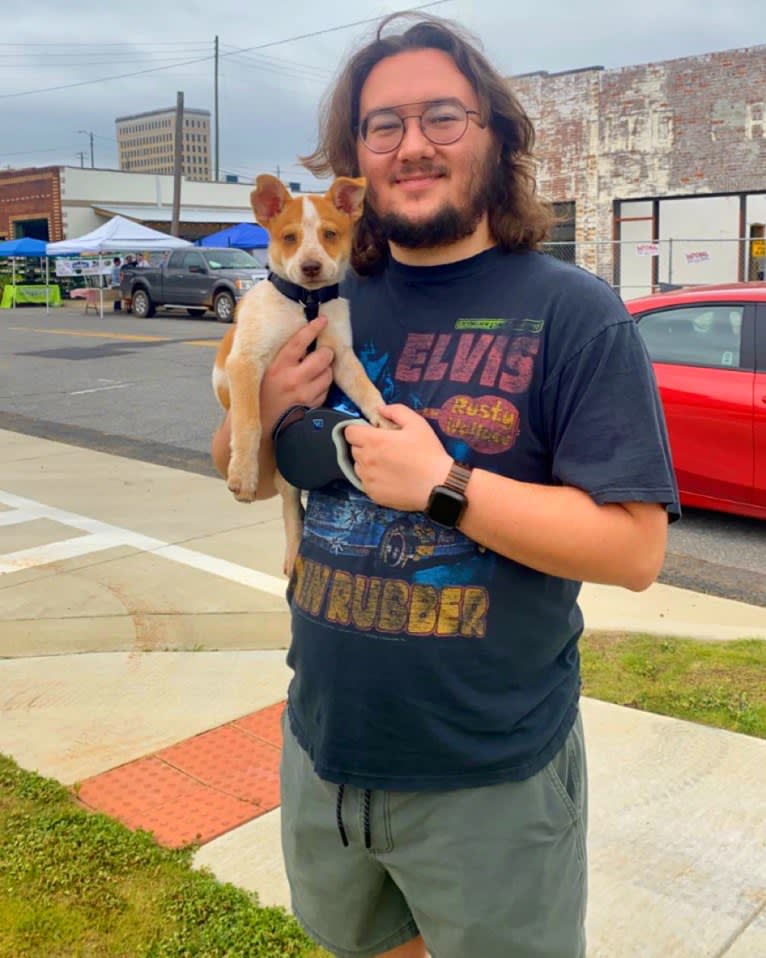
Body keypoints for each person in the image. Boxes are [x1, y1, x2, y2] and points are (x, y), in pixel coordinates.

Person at [212, 13, 680, 958]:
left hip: (488, 779)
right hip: (326, 753)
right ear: (355, 162)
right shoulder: (322, 293)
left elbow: (635, 550)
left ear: (494, 135)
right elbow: (247, 477)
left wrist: (442, 484)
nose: (412, 144)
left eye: (442, 117)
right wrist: (254, 404)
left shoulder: (573, 312)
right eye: (384, 125)